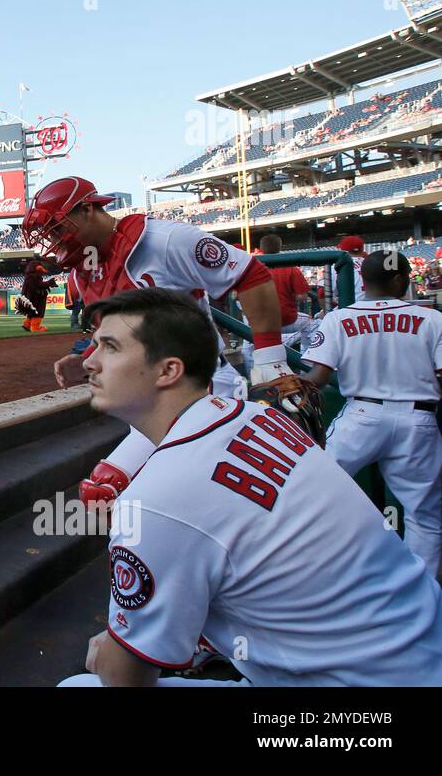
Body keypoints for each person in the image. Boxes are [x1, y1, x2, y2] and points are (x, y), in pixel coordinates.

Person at [60, 289, 442, 686]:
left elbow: (125, 681)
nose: (90, 360)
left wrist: (113, 653)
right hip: (421, 641)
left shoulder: (157, 501)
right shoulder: (256, 416)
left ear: (167, 371)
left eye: (110, 347)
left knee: (80, 685)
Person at [22, 176, 286, 509]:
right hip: (152, 402)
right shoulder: (81, 271)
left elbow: (250, 274)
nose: (55, 242)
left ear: (88, 209)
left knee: (203, 502)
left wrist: (269, 359)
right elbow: (117, 329)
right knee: (103, 494)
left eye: (58, 229)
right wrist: (88, 356)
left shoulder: (163, 240)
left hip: (200, 389)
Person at [301, 251, 442, 577]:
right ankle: (424, 593)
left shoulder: (339, 317)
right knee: (426, 517)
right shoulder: (432, 318)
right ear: (401, 279)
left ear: (363, 282)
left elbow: (318, 379)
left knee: (311, 490)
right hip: (418, 420)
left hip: (361, 417)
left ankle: (319, 573)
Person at [240, 234, 313, 374]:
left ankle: (252, 378)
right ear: (280, 247)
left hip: (257, 324)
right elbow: (302, 296)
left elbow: (236, 295)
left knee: (247, 347)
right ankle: (306, 368)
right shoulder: (290, 267)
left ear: (261, 248)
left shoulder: (250, 267)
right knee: (313, 324)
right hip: (287, 321)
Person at [18, 257, 52, 333]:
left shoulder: (29, 276)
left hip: (30, 299)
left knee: (31, 313)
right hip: (35, 299)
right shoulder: (34, 276)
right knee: (37, 313)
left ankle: (27, 324)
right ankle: (35, 328)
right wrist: (49, 283)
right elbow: (39, 285)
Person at [337, 235, 369, 302]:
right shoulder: (374, 263)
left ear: (343, 250)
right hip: (373, 306)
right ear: (362, 249)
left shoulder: (338, 265)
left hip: (351, 307)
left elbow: (321, 292)